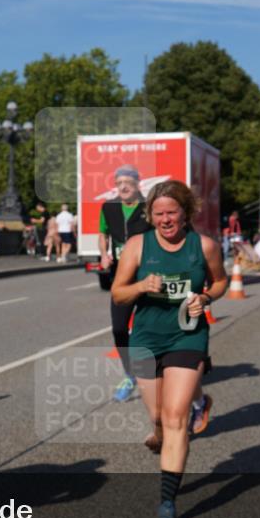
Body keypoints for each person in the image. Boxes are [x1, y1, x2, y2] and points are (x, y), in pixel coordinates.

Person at [110, 180, 228, 518]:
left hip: (186, 335)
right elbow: (118, 294)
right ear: (150, 215)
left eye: (172, 212)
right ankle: (178, 419)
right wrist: (142, 286)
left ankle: (167, 504)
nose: (165, 220)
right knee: (159, 418)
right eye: (158, 213)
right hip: (145, 337)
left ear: (186, 212)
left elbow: (220, 281)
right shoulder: (137, 246)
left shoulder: (204, 246)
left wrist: (205, 298)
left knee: (176, 417)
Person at [98, 165, 151, 402]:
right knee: (119, 329)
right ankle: (130, 375)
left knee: (149, 327)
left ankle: (161, 373)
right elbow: (103, 233)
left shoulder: (149, 207)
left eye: (127, 182)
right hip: (122, 275)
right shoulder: (109, 208)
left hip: (149, 274)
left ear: (138, 184)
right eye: (119, 183)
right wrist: (103, 254)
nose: (123, 187)